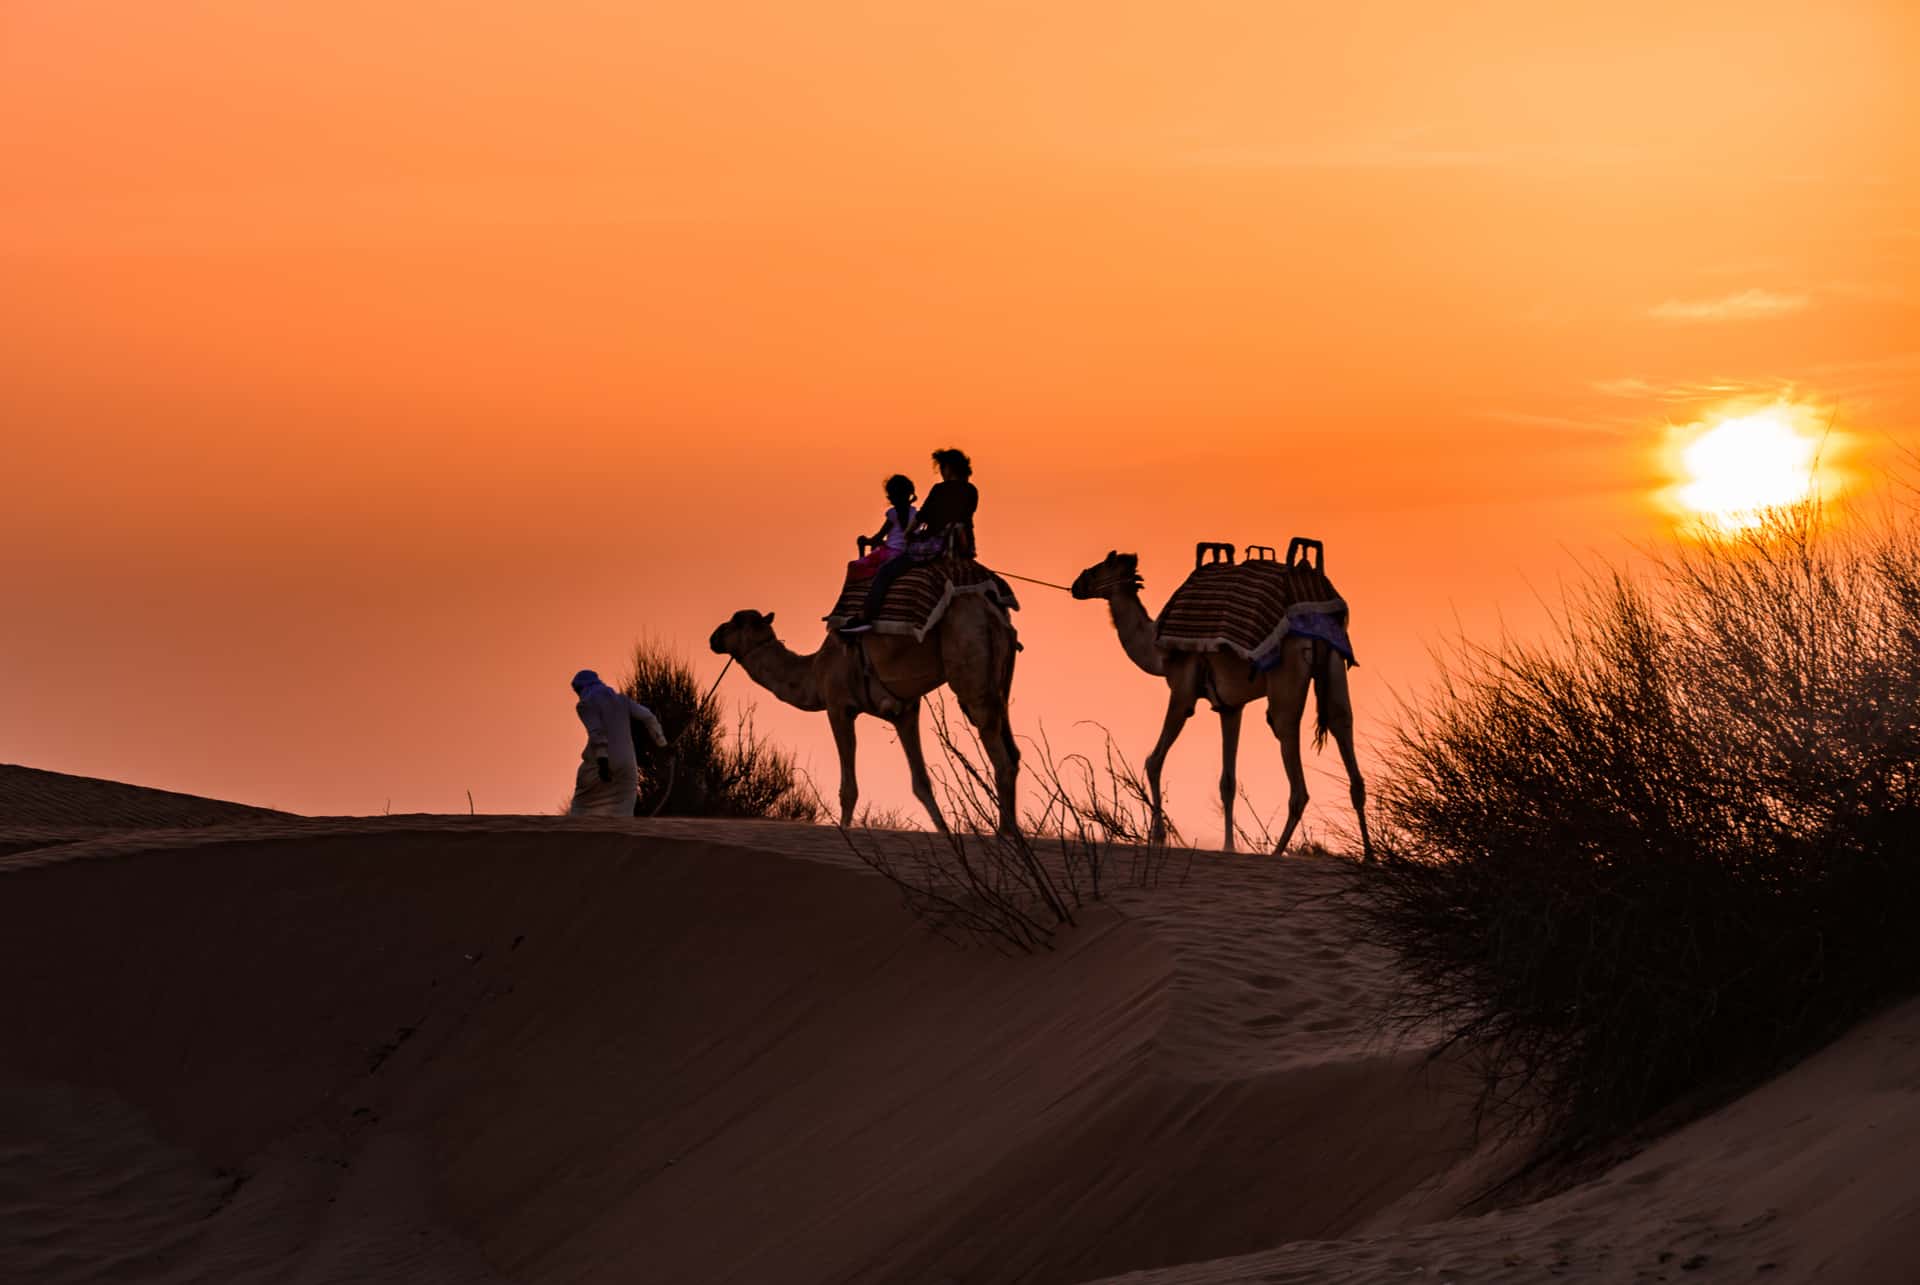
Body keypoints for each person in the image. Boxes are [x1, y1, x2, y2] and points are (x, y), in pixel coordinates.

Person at [842, 448, 978, 634]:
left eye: (942, 469)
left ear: (948, 468)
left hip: (935, 548)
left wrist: (908, 533)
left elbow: (922, 517)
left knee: (885, 572)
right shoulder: (972, 491)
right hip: (961, 550)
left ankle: (865, 617)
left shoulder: (939, 489)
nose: (942, 474)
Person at [567, 668, 668, 816]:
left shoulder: (585, 705)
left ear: (582, 687)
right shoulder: (622, 700)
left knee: (581, 807)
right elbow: (648, 717)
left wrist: (602, 761)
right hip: (628, 764)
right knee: (623, 812)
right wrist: (662, 744)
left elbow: (597, 733)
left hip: (601, 764)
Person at [847, 474, 918, 580]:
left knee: (853, 566)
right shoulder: (915, 514)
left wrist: (865, 541)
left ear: (892, 497)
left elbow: (879, 537)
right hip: (906, 554)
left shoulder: (893, 513)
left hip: (889, 554)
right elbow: (905, 538)